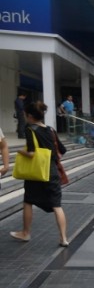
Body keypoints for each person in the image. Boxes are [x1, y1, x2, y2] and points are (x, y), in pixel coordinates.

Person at [9, 101, 69, 247]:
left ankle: (26, 233)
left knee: (28, 201)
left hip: (36, 174)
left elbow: (31, 153)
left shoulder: (30, 129)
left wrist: (19, 151)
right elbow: (63, 149)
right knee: (57, 205)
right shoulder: (51, 130)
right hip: (52, 171)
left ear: (30, 116)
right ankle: (64, 238)